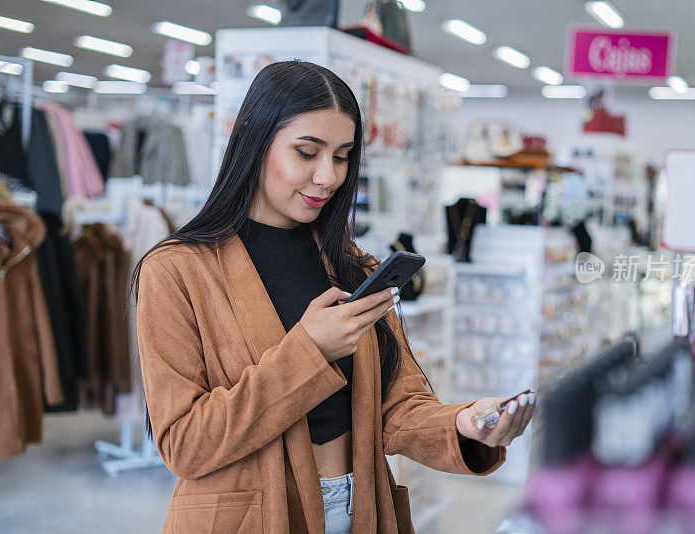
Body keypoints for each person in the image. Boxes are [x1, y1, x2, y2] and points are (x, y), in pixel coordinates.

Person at [133, 60, 533, 534]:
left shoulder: (352, 267)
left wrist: (463, 425)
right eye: (306, 152)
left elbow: (396, 406)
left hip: (358, 507)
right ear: (252, 141)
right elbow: (184, 444)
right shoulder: (177, 271)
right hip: (248, 518)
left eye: (342, 156)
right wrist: (309, 351)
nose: (328, 176)